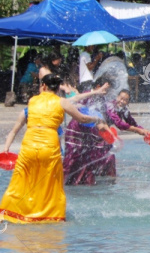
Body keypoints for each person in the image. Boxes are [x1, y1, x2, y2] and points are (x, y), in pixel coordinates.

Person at [0, 74, 109, 223]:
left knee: (21, 181)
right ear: (58, 88)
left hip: (29, 147)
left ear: (43, 86)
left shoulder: (32, 101)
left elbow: (14, 130)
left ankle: (10, 213)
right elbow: (82, 118)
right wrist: (97, 118)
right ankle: (49, 216)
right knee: (51, 184)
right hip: (49, 148)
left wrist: (5, 150)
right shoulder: (62, 102)